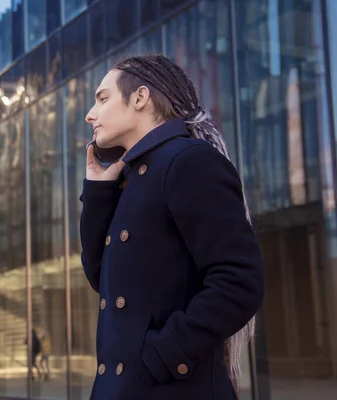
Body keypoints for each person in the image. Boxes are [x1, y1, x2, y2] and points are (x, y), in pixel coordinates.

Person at [80, 54, 265, 399]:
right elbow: (101, 278)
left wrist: (164, 356)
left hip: (172, 388)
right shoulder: (130, 179)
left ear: (140, 98)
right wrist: (98, 193)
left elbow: (240, 281)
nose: (91, 114)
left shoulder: (189, 161)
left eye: (102, 98)